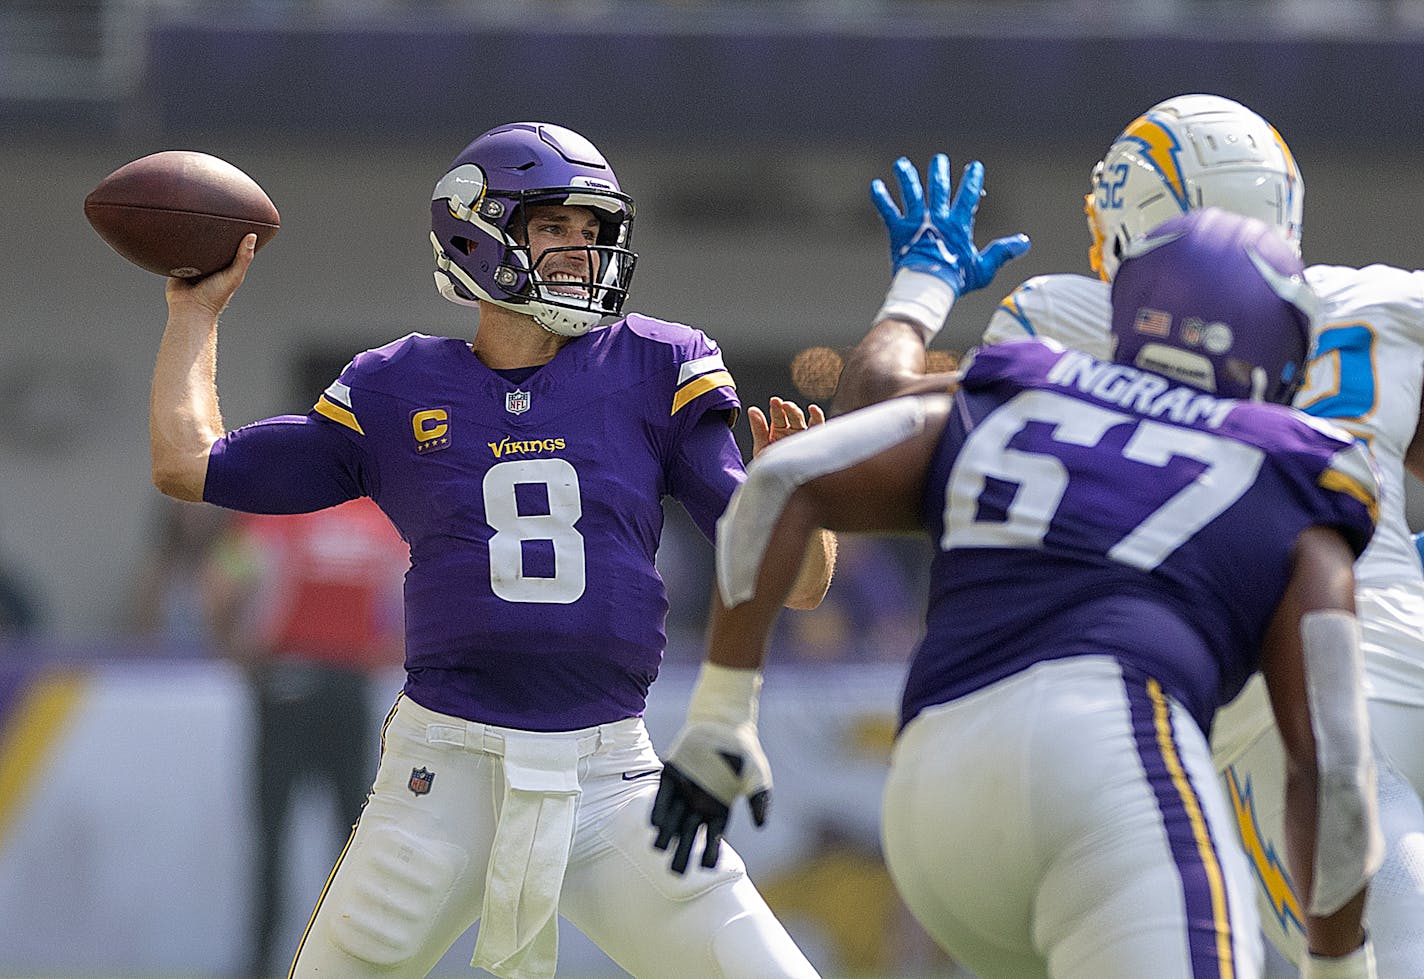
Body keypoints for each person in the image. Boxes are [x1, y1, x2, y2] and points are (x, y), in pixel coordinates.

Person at [147, 121, 834, 979]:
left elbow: (799, 586)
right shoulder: (398, 385)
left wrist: (801, 504)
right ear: (478, 230)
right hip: (444, 776)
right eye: (556, 228)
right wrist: (193, 313)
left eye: (594, 233)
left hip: (610, 780)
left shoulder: (658, 364)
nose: (583, 253)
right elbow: (188, 463)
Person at [652, 207, 1383, 978]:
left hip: (936, 803)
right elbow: (1332, 759)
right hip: (1113, 763)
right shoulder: (1292, 469)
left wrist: (719, 718)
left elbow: (784, 475)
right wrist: (1339, 962)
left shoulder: (1022, 385)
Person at [833, 94, 1424, 976]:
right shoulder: (1388, 303)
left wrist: (919, 291)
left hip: (1264, 692)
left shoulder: (1068, 315)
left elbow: (877, 419)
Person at [205, 497, 409, 979]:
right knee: (351, 841)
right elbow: (422, 595)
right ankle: (351, 963)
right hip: (348, 689)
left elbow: (217, 586)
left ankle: (260, 964)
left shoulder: (275, 515)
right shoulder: (381, 521)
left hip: (283, 684)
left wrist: (234, 649)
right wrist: (387, 653)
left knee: (270, 839)